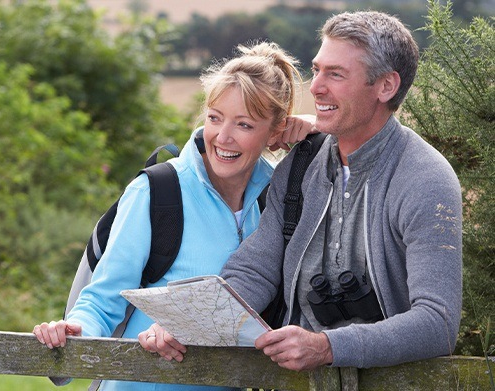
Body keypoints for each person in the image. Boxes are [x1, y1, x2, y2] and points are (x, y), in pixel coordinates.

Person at [143, 11, 463, 371]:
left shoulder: (425, 178)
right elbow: (255, 272)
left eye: (336, 74)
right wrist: (189, 322)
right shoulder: (301, 163)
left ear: (386, 86)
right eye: (317, 69)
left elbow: (438, 322)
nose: (315, 87)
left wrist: (327, 347)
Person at [33, 41, 317, 391]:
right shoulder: (156, 192)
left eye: (243, 125)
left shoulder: (280, 200)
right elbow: (102, 299)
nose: (222, 137)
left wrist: (318, 130)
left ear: (276, 132)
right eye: (215, 118)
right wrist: (78, 329)